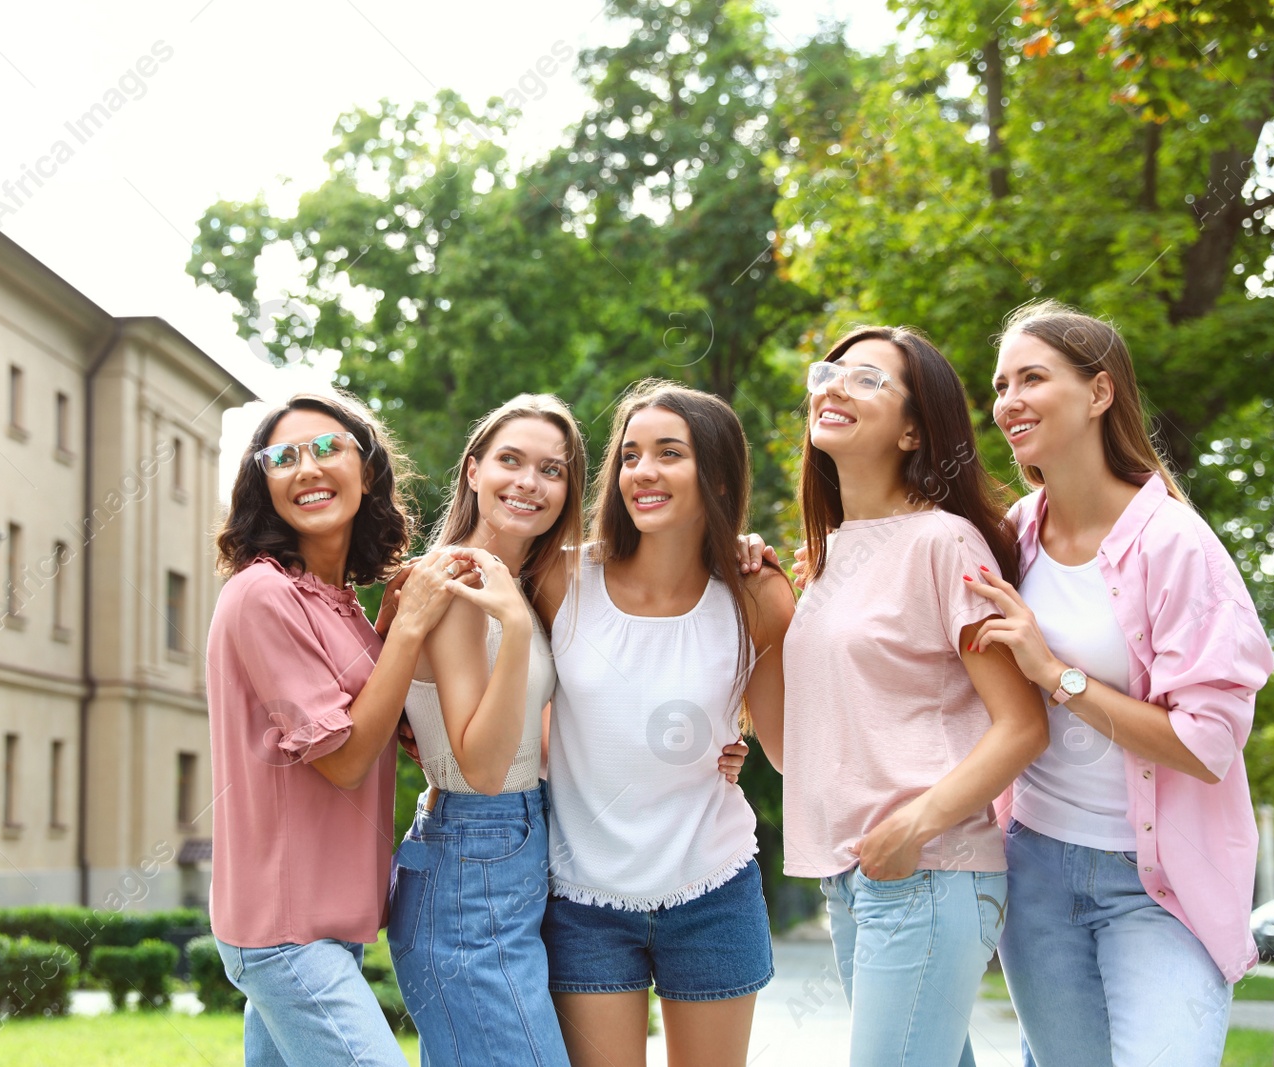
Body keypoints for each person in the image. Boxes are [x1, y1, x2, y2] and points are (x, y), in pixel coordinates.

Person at [966, 302, 1273, 1066]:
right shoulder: (1012, 538)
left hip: (1159, 884)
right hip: (1035, 869)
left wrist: (1058, 676)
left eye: (1032, 377)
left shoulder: (1174, 543)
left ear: (1100, 392)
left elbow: (1206, 745)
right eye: (1001, 384)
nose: (1008, 401)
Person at [763, 326, 1048, 1067]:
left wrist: (911, 826)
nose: (832, 387)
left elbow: (1023, 725)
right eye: (828, 373)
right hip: (853, 879)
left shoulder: (943, 542)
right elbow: (799, 747)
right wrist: (752, 593)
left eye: (866, 380)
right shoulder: (825, 559)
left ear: (915, 428)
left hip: (929, 868)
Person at [536, 380, 795, 1067]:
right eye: (629, 455)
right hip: (583, 895)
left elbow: (789, 747)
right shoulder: (561, 582)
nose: (642, 471)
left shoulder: (758, 595)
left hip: (712, 885)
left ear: (714, 471)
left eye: (668, 453)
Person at [205, 390, 462, 1067]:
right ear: (263, 483)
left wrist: (388, 628)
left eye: (327, 448)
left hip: (324, 928)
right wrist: (407, 629)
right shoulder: (262, 593)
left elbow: (370, 716)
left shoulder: (338, 601)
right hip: (287, 933)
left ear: (367, 468)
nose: (306, 468)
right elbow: (345, 758)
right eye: (282, 457)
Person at [387, 394, 586, 1067]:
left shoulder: (519, 583)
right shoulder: (454, 585)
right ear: (473, 470)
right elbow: (481, 765)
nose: (529, 482)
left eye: (551, 469)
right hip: (471, 861)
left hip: (509, 855)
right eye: (510, 460)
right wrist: (523, 631)